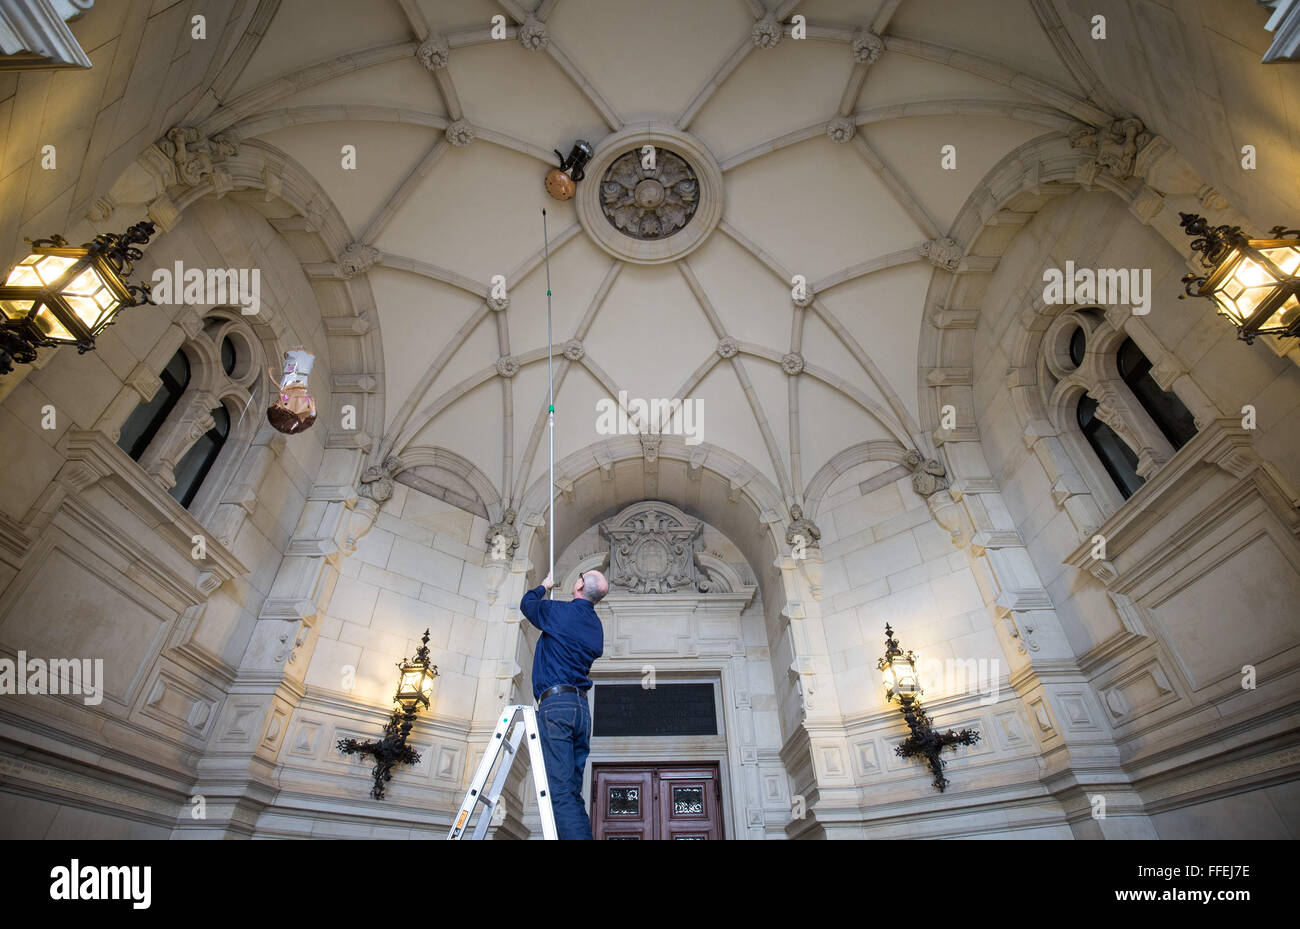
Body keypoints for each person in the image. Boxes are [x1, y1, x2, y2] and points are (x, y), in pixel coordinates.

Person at [519, 568, 608, 839]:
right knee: (571, 792)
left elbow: (528, 605)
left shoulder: (562, 613)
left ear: (580, 585)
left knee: (560, 792)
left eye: (580, 575)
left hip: (557, 707)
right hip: (581, 710)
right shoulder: (596, 627)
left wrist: (543, 587)